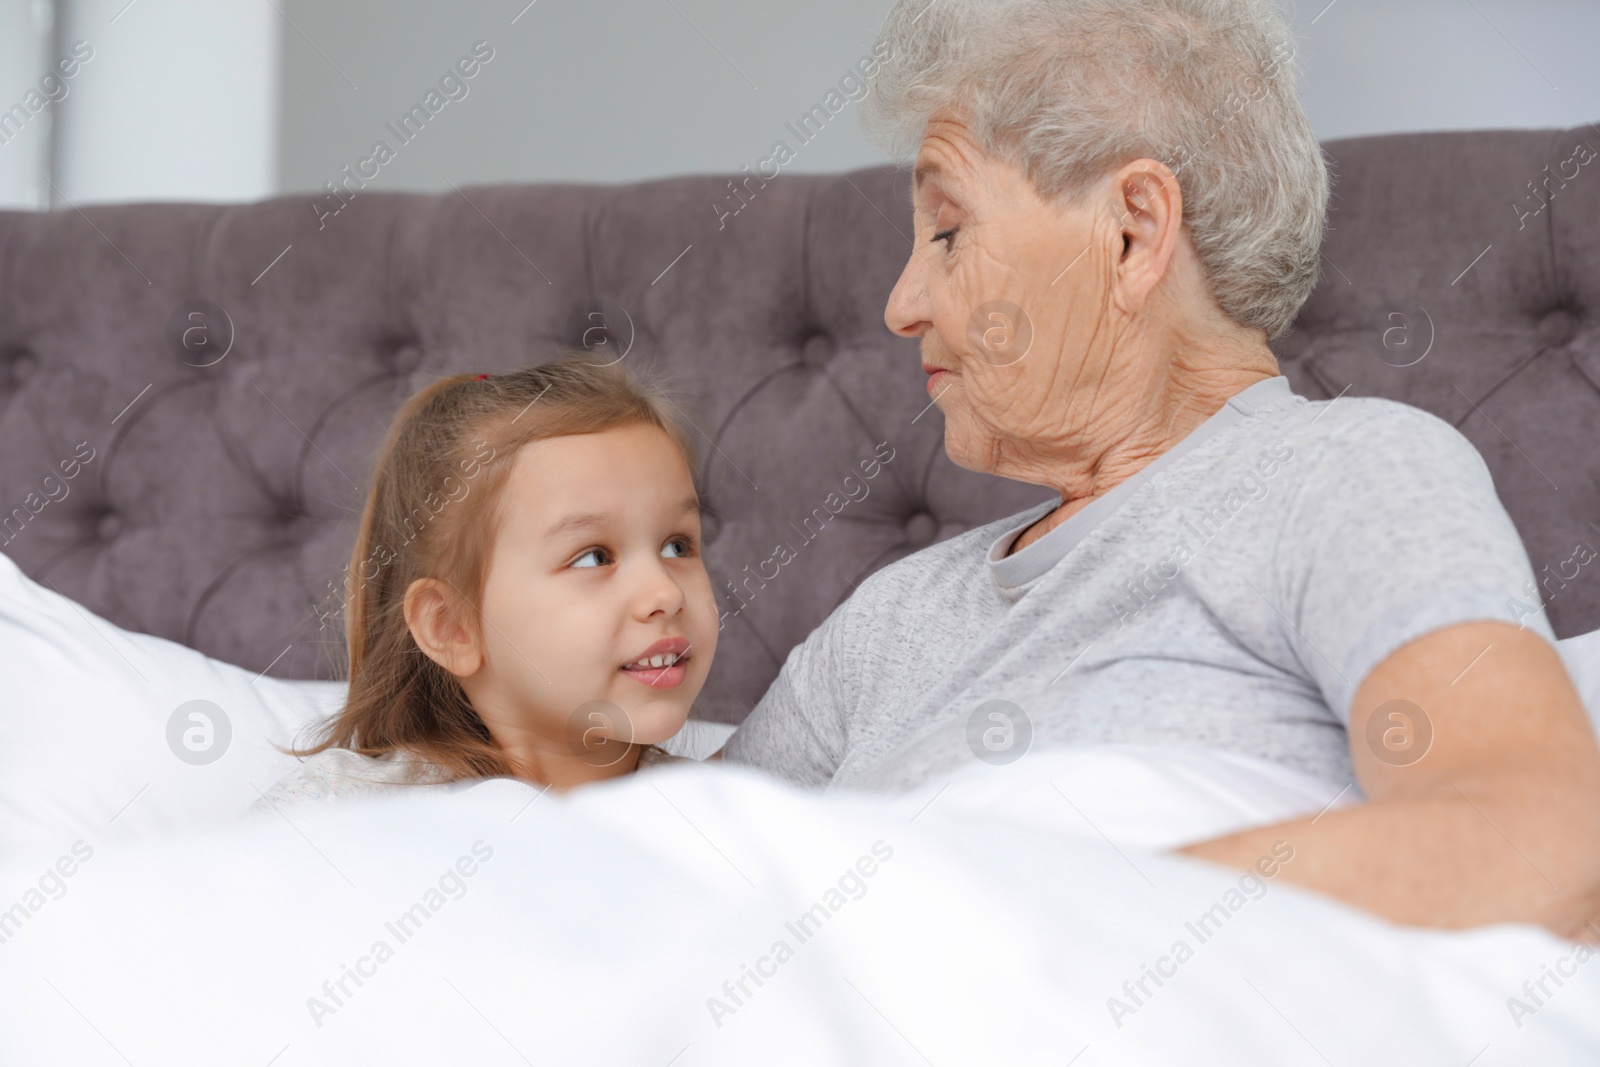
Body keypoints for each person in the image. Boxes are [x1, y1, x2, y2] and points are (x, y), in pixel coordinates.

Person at [721, 0, 1600, 938]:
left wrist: (1014, 938)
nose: (902, 303)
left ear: (1133, 232)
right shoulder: (886, 620)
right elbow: (670, 874)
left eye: (946, 231)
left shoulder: (1344, 473)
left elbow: (1539, 843)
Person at [251, 357, 719, 812]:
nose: (666, 593)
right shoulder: (340, 810)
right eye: (594, 557)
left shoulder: (715, 816)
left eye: (677, 546)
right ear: (452, 625)